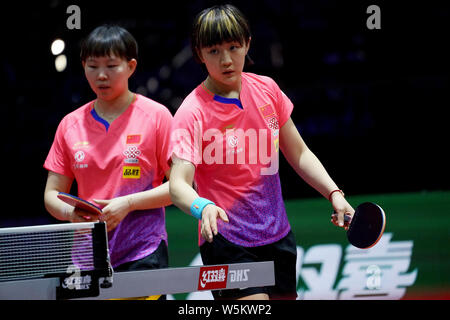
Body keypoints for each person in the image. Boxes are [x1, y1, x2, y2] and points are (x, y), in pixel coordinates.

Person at [169, 4, 355, 300]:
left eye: (233, 47)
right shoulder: (192, 113)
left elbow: (300, 153)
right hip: (227, 240)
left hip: (278, 237)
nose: (227, 59)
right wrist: (202, 207)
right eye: (214, 51)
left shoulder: (267, 90)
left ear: (248, 44)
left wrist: (334, 193)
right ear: (199, 53)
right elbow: (178, 184)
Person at [43, 25, 173, 299]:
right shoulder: (70, 125)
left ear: (131, 66)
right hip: (87, 256)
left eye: (112, 66)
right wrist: (70, 214)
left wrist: (129, 203)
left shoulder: (156, 117)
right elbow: (52, 193)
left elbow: (180, 187)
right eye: (92, 66)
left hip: (143, 251)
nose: (101, 75)